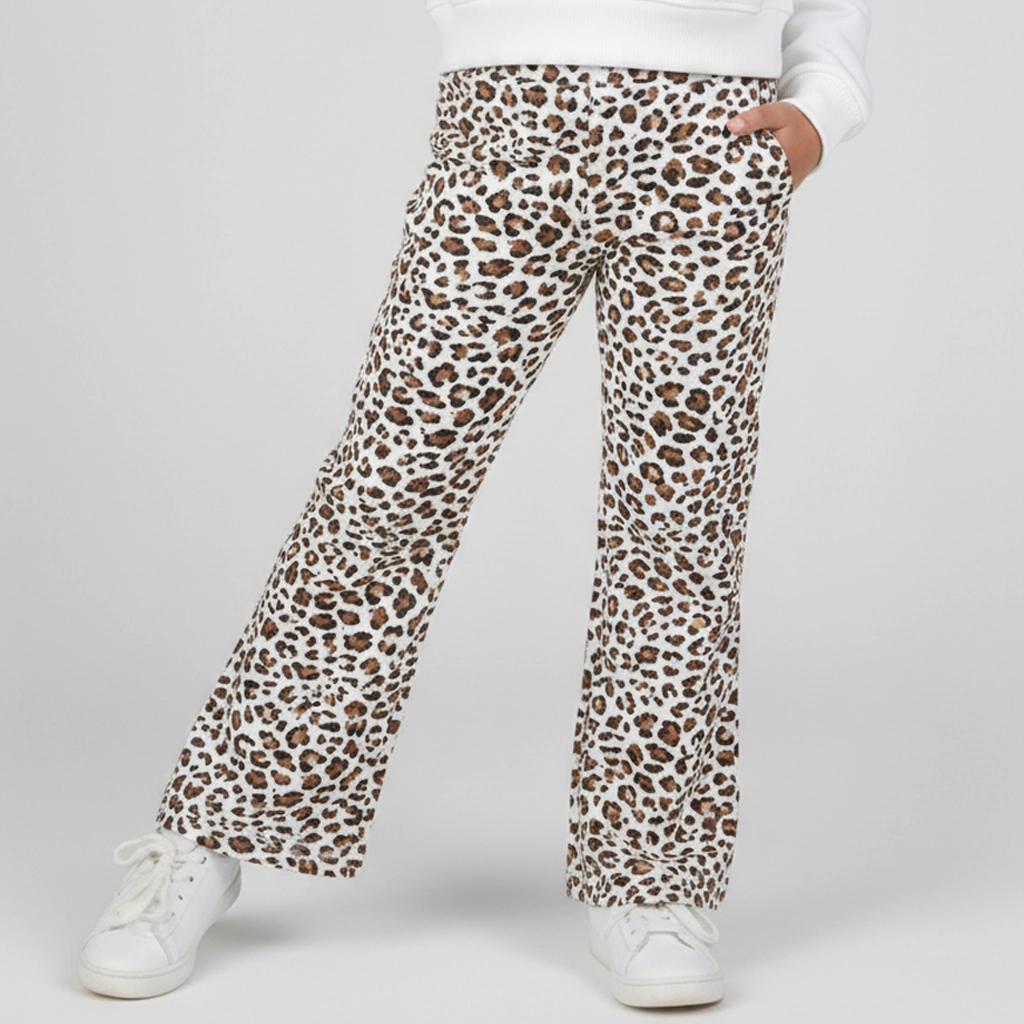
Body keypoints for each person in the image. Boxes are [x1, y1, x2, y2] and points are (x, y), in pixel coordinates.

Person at [78, 0, 872, 1008]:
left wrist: (823, 100)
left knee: (681, 519)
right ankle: (211, 833)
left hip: (713, 138)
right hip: (506, 112)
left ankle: (649, 877)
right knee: (386, 484)